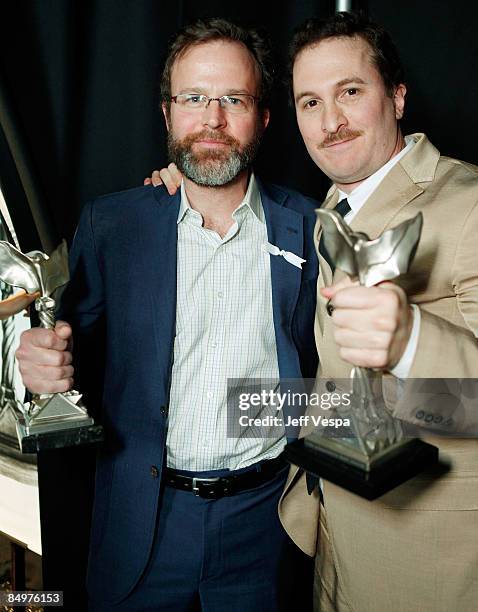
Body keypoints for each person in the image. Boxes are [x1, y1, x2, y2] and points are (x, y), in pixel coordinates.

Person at [15, 18, 318, 612]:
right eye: (193, 99)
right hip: (142, 523)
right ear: (166, 112)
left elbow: (333, 383)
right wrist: (37, 369)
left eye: (234, 99)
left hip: (267, 523)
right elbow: (63, 348)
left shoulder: (312, 226)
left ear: (263, 117)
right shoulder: (113, 224)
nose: (212, 119)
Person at [278, 12, 478, 612]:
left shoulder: (468, 204)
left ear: (396, 95)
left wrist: (411, 338)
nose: (329, 121)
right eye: (309, 102)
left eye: (350, 92)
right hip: (333, 535)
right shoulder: (328, 208)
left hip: (428, 555)